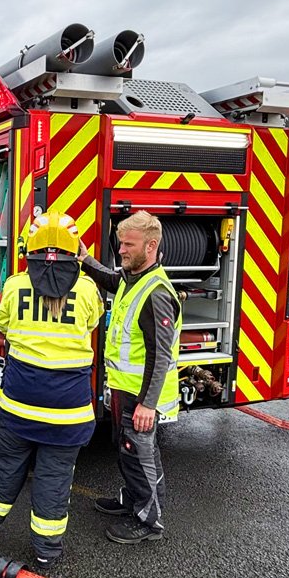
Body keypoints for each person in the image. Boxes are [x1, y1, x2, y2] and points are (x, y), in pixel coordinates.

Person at [0, 211, 104, 569]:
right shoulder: (88, 289)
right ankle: (46, 550)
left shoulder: (14, 285)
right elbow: (93, 322)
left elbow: (3, 323)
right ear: (75, 249)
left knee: (6, 463)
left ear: (29, 249)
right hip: (69, 410)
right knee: (56, 476)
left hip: (20, 403)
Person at [77, 210, 181, 545]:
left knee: (141, 455)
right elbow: (110, 279)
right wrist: (85, 260)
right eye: (121, 243)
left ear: (150, 247)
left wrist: (148, 404)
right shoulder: (131, 278)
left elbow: (160, 355)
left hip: (142, 396)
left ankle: (149, 520)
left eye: (128, 245)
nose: (121, 250)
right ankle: (132, 499)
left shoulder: (157, 293)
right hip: (125, 389)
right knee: (126, 451)